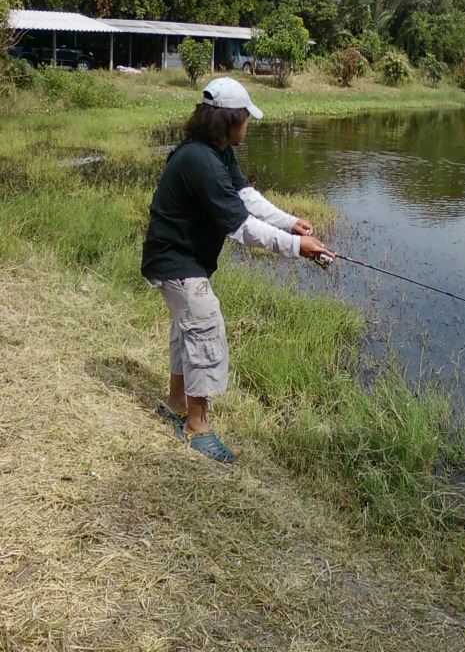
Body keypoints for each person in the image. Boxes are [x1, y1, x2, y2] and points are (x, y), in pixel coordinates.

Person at [141, 76, 335, 463]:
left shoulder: (216, 151)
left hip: (181, 259)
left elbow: (246, 197)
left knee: (187, 331)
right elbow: (241, 227)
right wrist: (299, 247)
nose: (248, 124)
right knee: (204, 329)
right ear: (230, 119)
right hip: (176, 261)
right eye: (245, 117)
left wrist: (289, 222)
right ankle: (196, 427)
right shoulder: (200, 161)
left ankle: (176, 405)